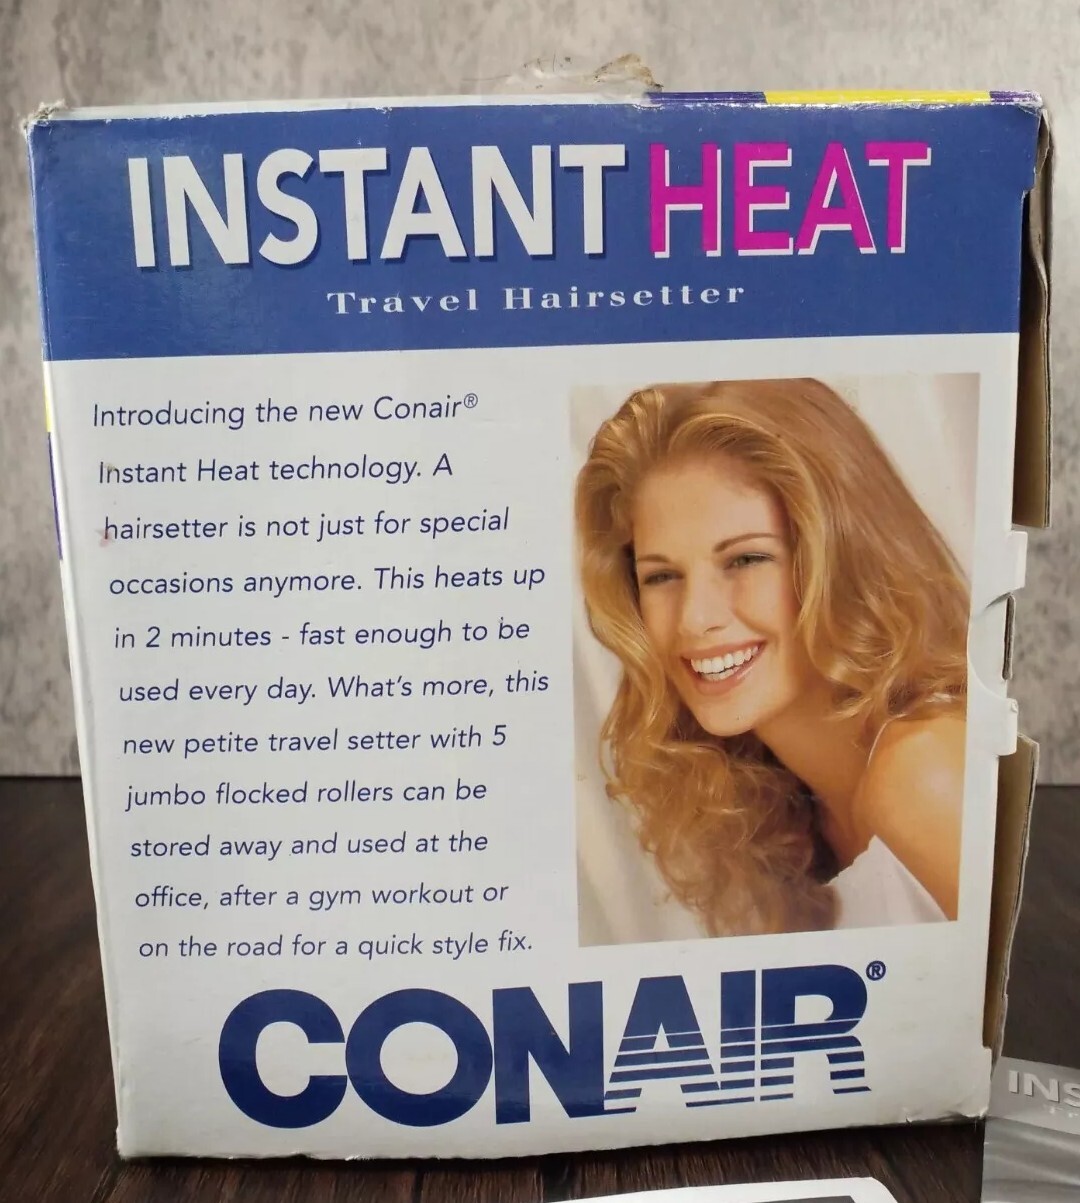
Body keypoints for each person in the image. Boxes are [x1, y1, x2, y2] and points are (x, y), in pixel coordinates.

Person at [575, 378, 968, 936]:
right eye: (661, 576)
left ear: (843, 557)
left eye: (745, 559)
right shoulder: (780, 811)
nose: (694, 619)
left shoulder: (923, 772)